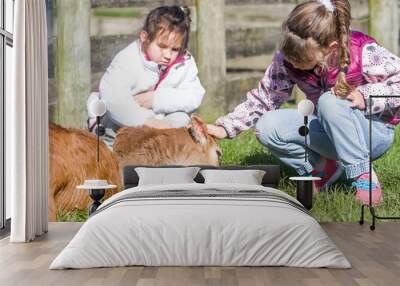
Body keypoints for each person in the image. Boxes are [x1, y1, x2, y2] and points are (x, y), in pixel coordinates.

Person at [207, 0, 400, 205]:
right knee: (267, 127)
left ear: (330, 48)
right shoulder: (288, 59)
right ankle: (323, 167)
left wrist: (365, 95)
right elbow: (266, 98)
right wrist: (225, 127)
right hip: (330, 130)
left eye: (300, 59)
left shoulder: (363, 51)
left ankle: (363, 177)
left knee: (329, 101)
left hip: (372, 133)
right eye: (290, 56)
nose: (292, 62)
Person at [87, 6, 205, 149]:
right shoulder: (128, 59)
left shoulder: (184, 62)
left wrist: (156, 99)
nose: (168, 55)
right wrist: (147, 121)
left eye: (175, 49)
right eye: (162, 46)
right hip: (121, 119)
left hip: (160, 120)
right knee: (113, 125)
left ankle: (161, 154)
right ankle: (108, 154)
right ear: (145, 37)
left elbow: (194, 95)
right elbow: (114, 99)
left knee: (181, 118)